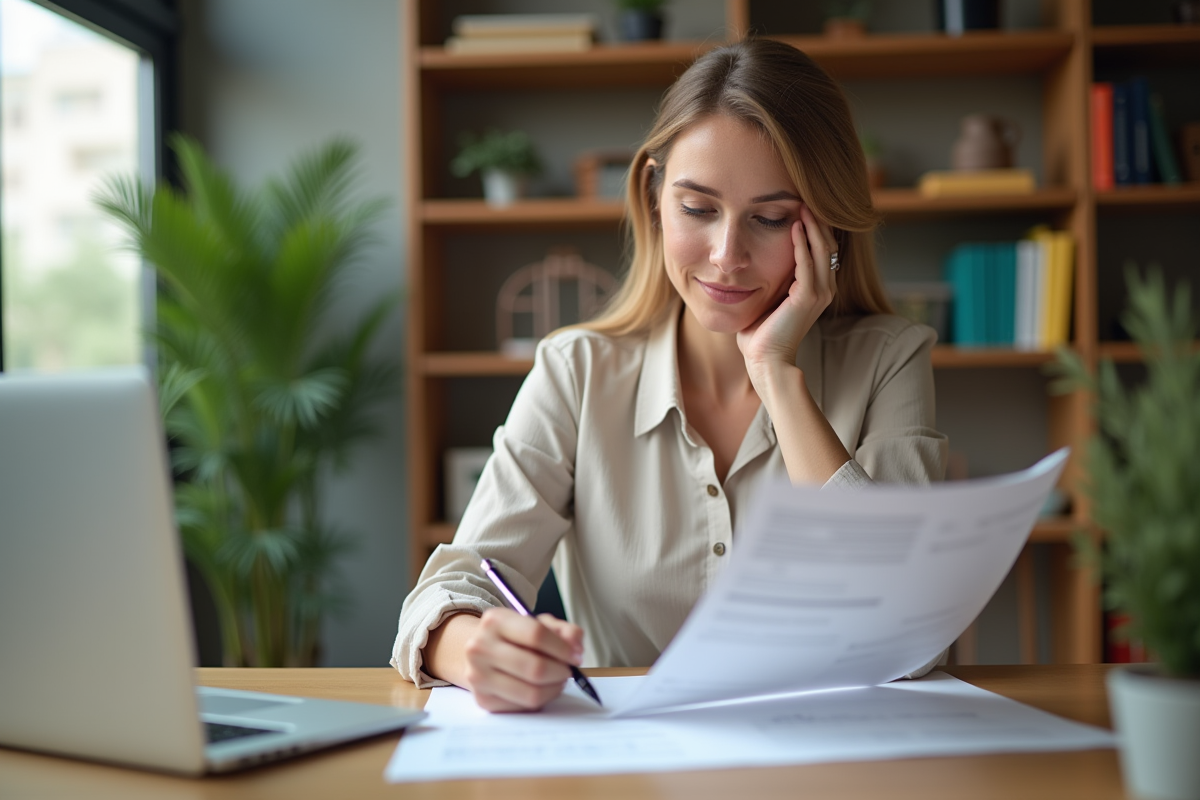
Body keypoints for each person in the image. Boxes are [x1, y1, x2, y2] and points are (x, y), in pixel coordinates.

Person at [392, 38, 948, 712]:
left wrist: (776, 374)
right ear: (655, 195)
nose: (726, 256)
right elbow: (450, 592)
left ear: (826, 227)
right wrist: (475, 649)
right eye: (698, 209)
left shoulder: (891, 358)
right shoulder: (576, 372)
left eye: (771, 219)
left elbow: (912, 635)